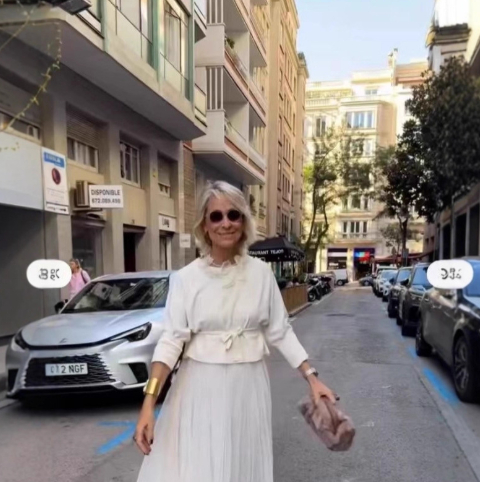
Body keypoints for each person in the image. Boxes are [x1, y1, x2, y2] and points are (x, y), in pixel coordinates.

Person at [134, 181, 336, 482]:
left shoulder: (261, 274)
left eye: (233, 214)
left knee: (242, 467)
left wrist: (312, 377)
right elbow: (170, 341)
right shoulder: (186, 279)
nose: (225, 223)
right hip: (199, 388)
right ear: (204, 225)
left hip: (248, 387)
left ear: (243, 221)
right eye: (216, 216)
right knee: (198, 470)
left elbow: (280, 331)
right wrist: (148, 403)